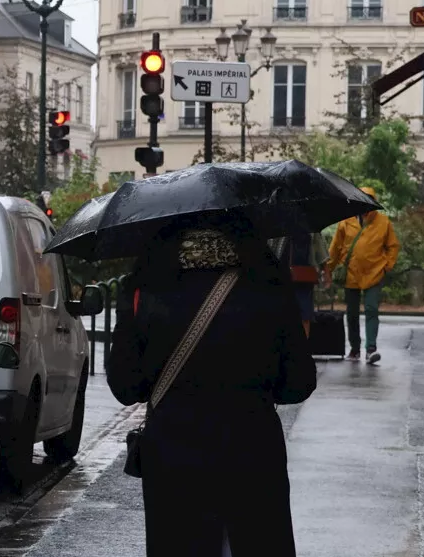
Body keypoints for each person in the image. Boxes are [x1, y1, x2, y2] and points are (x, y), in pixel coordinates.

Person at [108, 218, 317, 557]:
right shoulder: (268, 281)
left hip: (173, 456)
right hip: (253, 452)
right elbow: (299, 383)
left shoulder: (144, 285)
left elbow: (125, 386)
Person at [322, 186, 399, 364]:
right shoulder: (346, 221)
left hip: (374, 273)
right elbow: (335, 248)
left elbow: (393, 246)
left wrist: (387, 266)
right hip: (351, 273)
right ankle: (355, 348)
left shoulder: (383, 222)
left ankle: (371, 348)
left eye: (369, 199)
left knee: (372, 309)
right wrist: (328, 269)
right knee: (352, 313)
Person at [270, 231, 329, 337]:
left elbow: (318, 245)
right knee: (281, 313)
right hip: (280, 274)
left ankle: (303, 348)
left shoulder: (308, 221)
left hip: (304, 275)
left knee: (305, 315)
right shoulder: (277, 222)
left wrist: (326, 270)